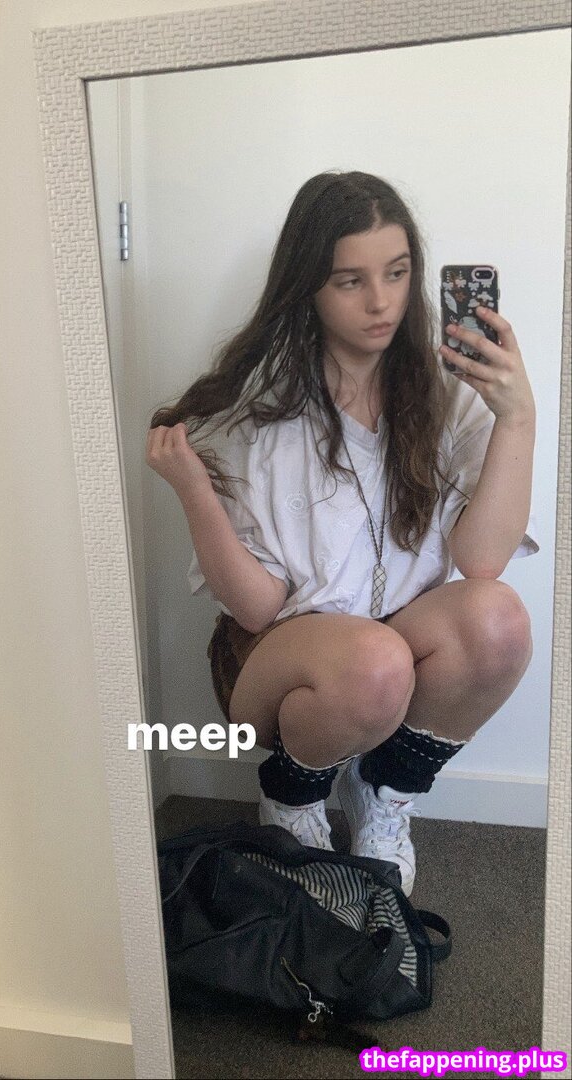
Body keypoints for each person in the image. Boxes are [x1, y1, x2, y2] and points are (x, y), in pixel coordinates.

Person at [145, 171, 538, 897]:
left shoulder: (449, 397)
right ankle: (290, 797)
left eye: (397, 272)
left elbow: (482, 561)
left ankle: (384, 794)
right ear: (308, 288)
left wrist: (516, 417)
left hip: (396, 649)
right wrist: (195, 493)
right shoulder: (258, 411)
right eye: (349, 281)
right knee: (372, 660)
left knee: (499, 621)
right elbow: (257, 607)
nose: (381, 302)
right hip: (277, 658)